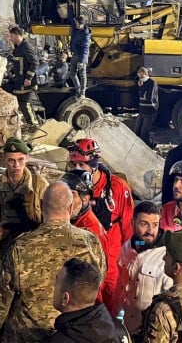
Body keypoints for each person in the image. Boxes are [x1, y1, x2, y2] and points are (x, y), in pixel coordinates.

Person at [0, 182, 106, 343]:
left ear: (40, 206)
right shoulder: (91, 243)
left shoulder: (21, 248)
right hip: (76, 335)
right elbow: (97, 281)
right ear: (69, 208)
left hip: (28, 337)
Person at [0, 138, 48, 263]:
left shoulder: (39, 185)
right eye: (11, 160)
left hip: (31, 258)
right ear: (4, 160)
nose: (16, 165)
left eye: (20, 160)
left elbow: (52, 219)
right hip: (0, 257)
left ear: (26, 158)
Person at [67, 139, 135, 271]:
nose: (77, 170)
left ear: (93, 164)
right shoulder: (70, 187)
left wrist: (130, 255)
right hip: (84, 257)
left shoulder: (117, 187)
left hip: (112, 260)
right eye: (74, 165)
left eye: (81, 164)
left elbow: (128, 225)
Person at [61, 170, 119, 312]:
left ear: (85, 199)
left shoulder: (91, 233)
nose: (65, 200)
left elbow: (92, 282)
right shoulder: (73, 221)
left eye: (71, 195)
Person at [114, 201, 173, 336]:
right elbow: (120, 287)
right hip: (126, 328)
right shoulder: (128, 246)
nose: (150, 231)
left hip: (152, 332)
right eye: (144, 224)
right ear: (133, 222)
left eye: (155, 225)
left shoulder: (167, 256)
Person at [47, 258, 119, 343]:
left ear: (65, 299)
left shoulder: (59, 340)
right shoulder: (115, 328)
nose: (54, 287)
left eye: (57, 282)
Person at [7, 26, 41, 126]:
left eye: (12, 36)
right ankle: (28, 123)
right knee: (20, 104)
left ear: (18, 35)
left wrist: (28, 78)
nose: (11, 39)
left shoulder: (26, 47)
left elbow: (34, 63)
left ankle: (34, 126)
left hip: (26, 82)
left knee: (25, 104)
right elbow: (19, 64)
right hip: (19, 81)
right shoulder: (18, 48)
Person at [136, 66, 159, 147]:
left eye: (142, 76)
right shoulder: (141, 83)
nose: (141, 78)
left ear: (146, 74)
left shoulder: (152, 83)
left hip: (150, 111)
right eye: (139, 77)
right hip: (142, 110)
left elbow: (149, 97)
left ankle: (153, 145)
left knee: (144, 134)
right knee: (136, 132)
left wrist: (141, 87)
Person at [69, 16, 91, 97]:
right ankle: (78, 90)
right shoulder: (77, 28)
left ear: (81, 24)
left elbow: (85, 49)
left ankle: (82, 93)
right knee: (72, 74)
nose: (76, 24)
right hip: (75, 54)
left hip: (81, 57)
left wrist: (81, 61)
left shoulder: (86, 34)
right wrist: (70, 5)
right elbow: (72, 19)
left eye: (77, 23)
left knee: (82, 75)